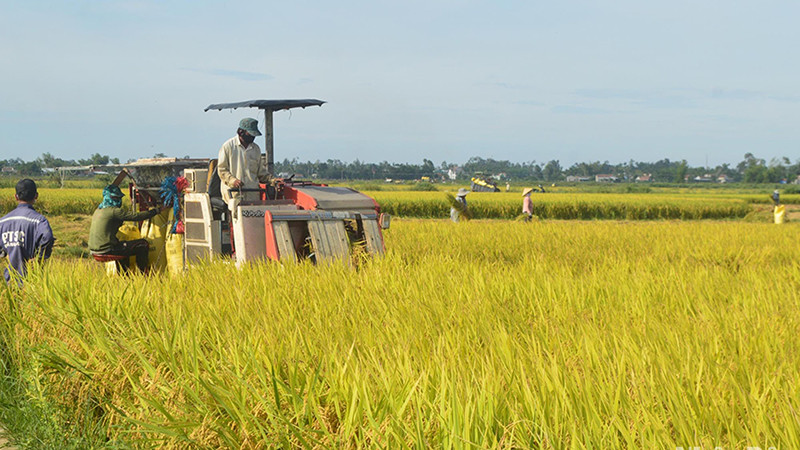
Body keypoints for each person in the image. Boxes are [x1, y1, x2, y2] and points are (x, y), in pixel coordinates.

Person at [88, 185, 163, 273]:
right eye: (116, 198)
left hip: (94, 251)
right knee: (142, 244)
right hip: (107, 250)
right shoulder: (114, 211)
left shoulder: (98, 211)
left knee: (124, 248)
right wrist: (156, 211)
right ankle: (144, 274)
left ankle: (124, 276)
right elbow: (136, 216)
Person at [0, 179, 55, 283]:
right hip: (32, 280)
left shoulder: (3, 221)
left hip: (10, 280)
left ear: (16, 196)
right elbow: (48, 238)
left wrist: (4, 254)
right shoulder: (39, 221)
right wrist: (39, 258)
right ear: (36, 196)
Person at [217, 118, 272, 209]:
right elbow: (222, 170)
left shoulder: (256, 149)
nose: (253, 137)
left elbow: (260, 172)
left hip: (252, 194)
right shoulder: (228, 147)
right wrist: (233, 180)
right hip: (234, 194)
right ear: (241, 132)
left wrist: (272, 180)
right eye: (250, 134)